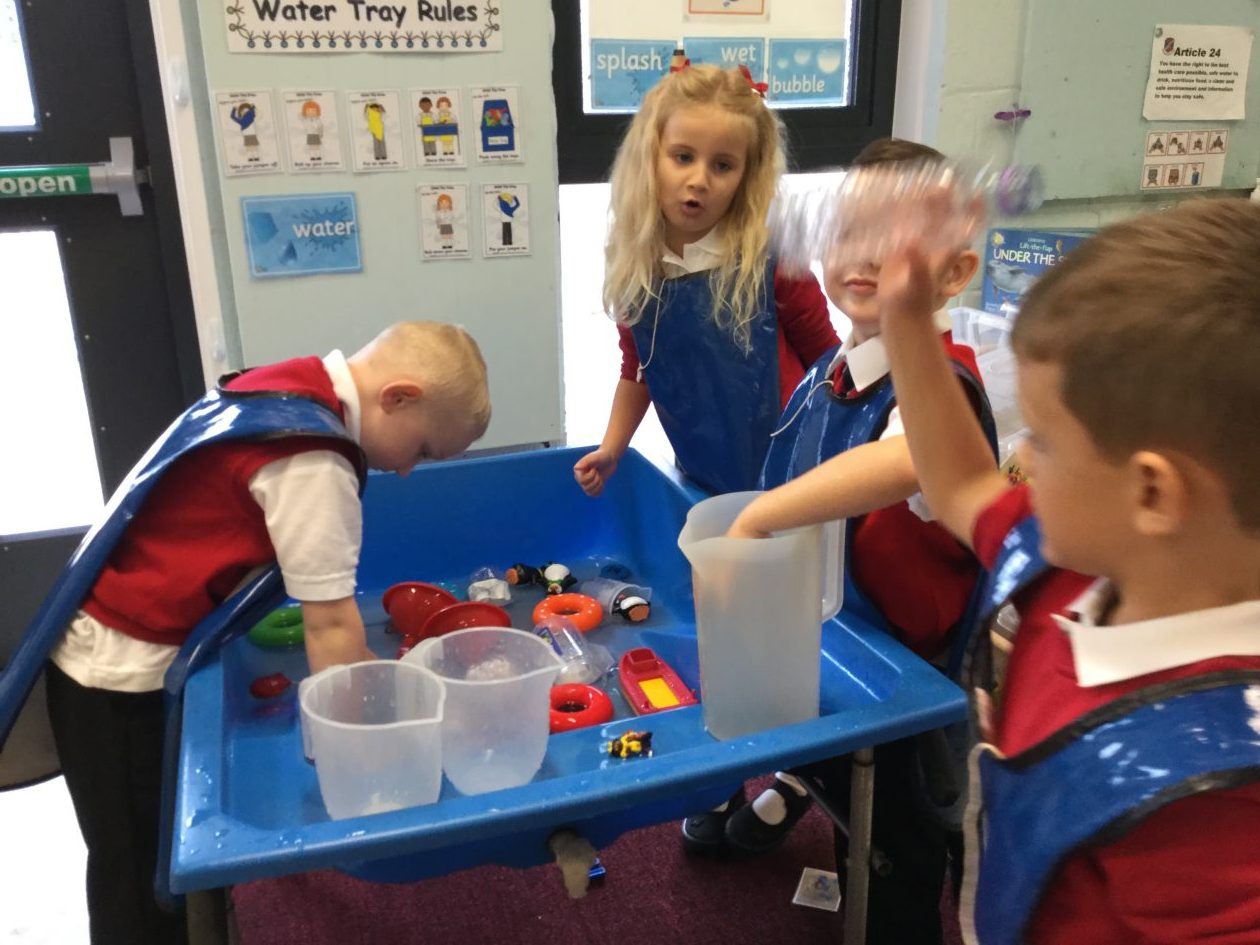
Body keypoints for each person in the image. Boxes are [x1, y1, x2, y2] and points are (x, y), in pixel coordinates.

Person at [875, 199, 1260, 944]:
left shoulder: (1219, 805)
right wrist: (907, 323)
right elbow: (964, 486)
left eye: (1043, 441)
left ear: (1152, 493)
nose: (1021, 457)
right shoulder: (1088, 561)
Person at [38, 321, 491, 944]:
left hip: (110, 638)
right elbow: (331, 624)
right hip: (118, 674)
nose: (411, 471)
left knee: (149, 862)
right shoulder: (314, 459)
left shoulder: (290, 384)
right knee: (140, 881)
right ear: (398, 397)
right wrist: (370, 750)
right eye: (423, 451)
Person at [681, 139, 994, 945]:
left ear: (954, 273)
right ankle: (799, 786)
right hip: (830, 641)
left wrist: (759, 519)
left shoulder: (943, 389)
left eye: (898, 237)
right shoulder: (829, 372)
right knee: (834, 784)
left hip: (909, 685)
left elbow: (907, 459)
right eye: (850, 230)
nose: (865, 254)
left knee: (893, 856)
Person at [572, 63, 839, 498]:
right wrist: (612, 448)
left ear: (746, 176)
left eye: (722, 165)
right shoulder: (639, 265)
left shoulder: (772, 260)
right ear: (650, 157)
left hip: (793, 472)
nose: (699, 180)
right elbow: (638, 368)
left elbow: (828, 362)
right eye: (683, 157)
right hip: (701, 472)